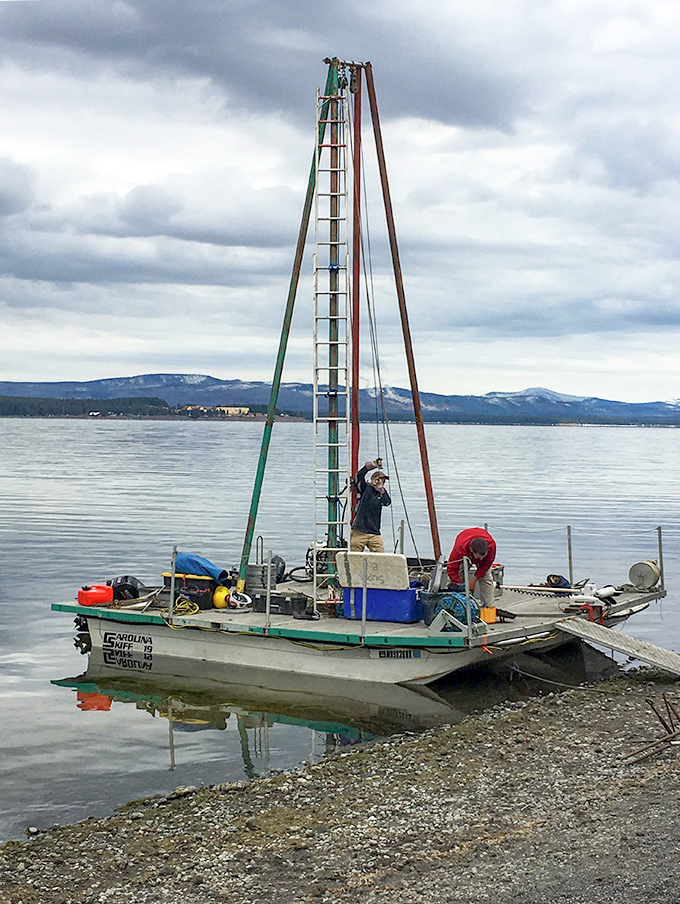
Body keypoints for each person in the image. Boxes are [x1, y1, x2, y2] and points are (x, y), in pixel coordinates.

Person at [350, 459, 391, 552]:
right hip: (359, 530)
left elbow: (387, 502)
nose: (380, 483)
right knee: (355, 556)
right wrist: (372, 465)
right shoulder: (365, 488)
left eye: (382, 481)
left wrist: (380, 489)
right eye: (378, 480)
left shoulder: (381, 494)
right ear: (372, 480)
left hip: (374, 532)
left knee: (381, 555)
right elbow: (359, 475)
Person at [446, 527, 496, 605]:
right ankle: (455, 603)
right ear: (472, 551)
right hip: (464, 545)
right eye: (479, 557)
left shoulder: (491, 546)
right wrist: (460, 586)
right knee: (455, 579)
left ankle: (488, 608)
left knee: (486, 579)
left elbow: (486, 565)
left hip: (479, 541)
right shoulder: (459, 549)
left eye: (483, 556)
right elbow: (451, 569)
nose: (481, 559)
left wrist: (473, 580)